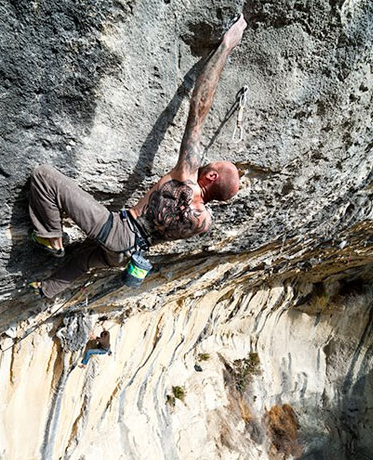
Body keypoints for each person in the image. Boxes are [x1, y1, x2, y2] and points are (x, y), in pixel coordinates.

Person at [28, 15, 247, 298]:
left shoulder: (186, 177)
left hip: (120, 233)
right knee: (82, 261)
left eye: (214, 164)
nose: (209, 162)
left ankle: (50, 238)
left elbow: (199, 109)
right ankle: (46, 290)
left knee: (45, 177)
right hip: (129, 255)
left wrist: (226, 46)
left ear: (212, 176)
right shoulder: (204, 223)